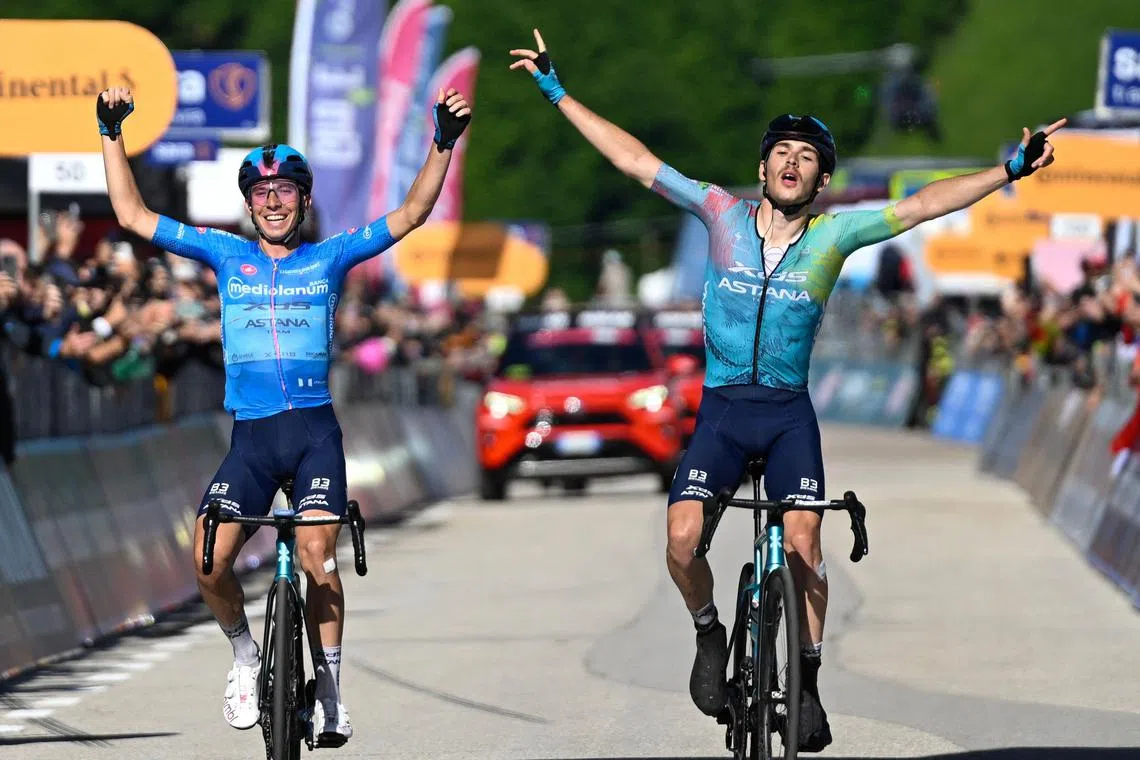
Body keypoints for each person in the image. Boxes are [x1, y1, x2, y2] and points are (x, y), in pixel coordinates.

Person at [510, 27, 1064, 752]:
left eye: (808, 157)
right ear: (762, 166)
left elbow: (926, 205)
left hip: (787, 414)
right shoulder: (720, 215)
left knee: (804, 543)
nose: (793, 163)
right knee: (681, 542)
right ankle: (711, 637)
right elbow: (635, 159)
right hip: (722, 409)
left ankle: (806, 676)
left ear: (822, 179)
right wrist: (557, 93)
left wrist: (1009, 170)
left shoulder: (835, 237)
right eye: (783, 152)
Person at [96, 85, 471, 743]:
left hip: (314, 433)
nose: (273, 202)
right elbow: (130, 213)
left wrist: (442, 142)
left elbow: (411, 213)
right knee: (209, 559)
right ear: (249, 204)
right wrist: (110, 131)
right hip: (251, 435)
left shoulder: (328, 258)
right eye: (262, 193)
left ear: (303, 200)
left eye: (286, 191)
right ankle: (244, 655)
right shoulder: (224, 253)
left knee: (319, 559)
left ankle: (328, 686)